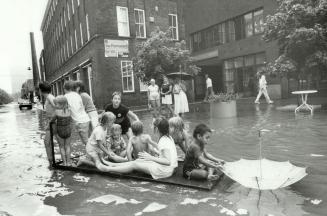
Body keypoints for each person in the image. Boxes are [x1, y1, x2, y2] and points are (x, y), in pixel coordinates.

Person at [100, 119, 178, 180]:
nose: (152, 127)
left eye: (153, 126)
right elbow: (165, 154)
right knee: (138, 161)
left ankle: (108, 168)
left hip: (164, 171)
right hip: (168, 169)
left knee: (134, 164)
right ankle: (113, 164)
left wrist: (151, 158)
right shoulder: (168, 137)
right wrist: (156, 154)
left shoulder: (163, 141)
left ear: (157, 129)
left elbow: (168, 161)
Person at [64, 80, 90, 145]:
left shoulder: (66, 97)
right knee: (87, 140)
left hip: (79, 121)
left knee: (86, 142)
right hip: (86, 119)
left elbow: (66, 110)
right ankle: (92, 152)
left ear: (65, 89)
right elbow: (81, 106)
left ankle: (96, 153)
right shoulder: (77, 95)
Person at [39, 82, 58, 166]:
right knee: (48, 142)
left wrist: (51, 120)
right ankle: (52, 162)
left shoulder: (50, 97)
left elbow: (58, 108)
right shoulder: (49, 97)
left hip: (54, 122)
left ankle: (51, 163)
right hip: (52, 122)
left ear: (41, 90)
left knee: (47, 142)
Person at [51, 95, 72, 166]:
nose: (55, 105)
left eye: (56, 104)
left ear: (61, 104)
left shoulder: (56, 112)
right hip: (68, 130)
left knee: (62, 147)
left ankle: (64, 163)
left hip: (60, 131)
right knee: (68, 146)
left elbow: (52, 120)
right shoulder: (69, 111)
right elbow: (71, 120)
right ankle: (69, 162)